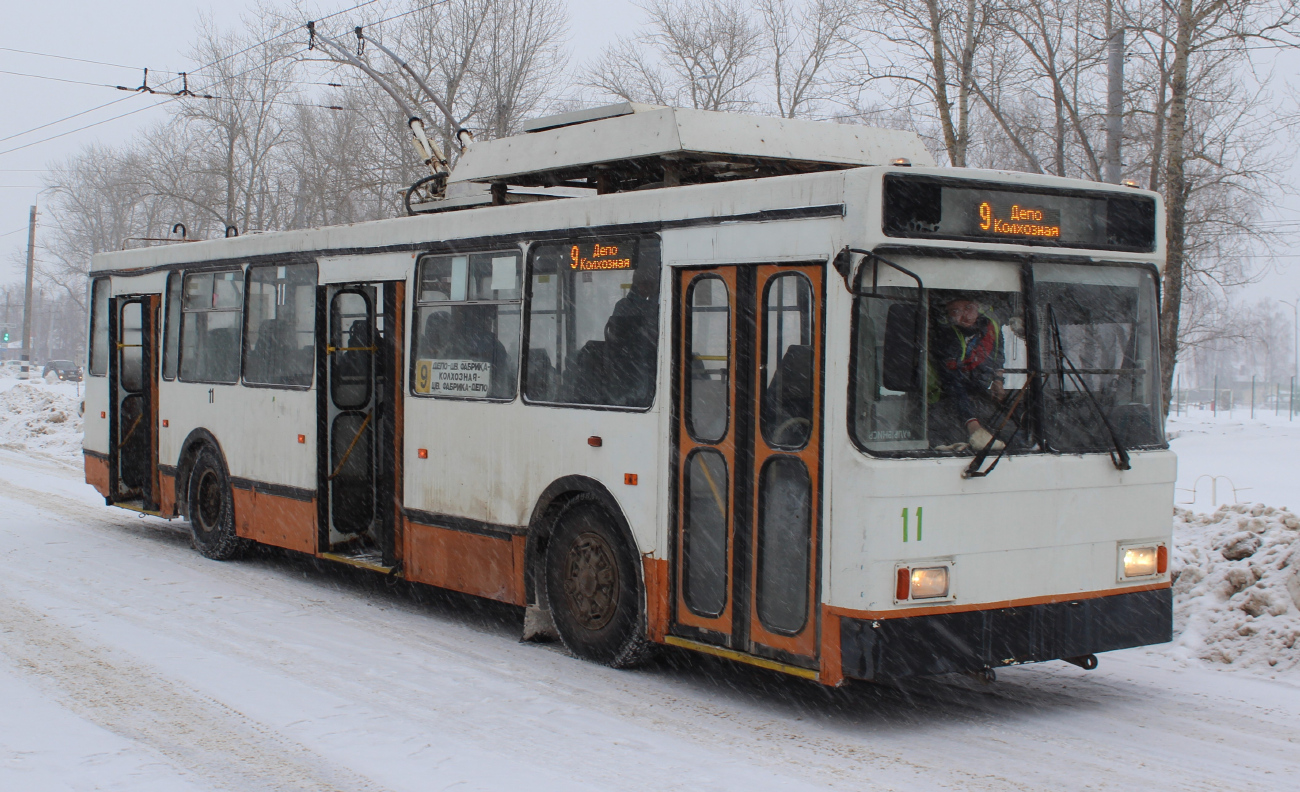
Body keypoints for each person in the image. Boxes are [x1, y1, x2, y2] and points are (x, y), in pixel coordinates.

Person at [931, 297, 1006, 452]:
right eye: (956, 311)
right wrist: (972, 424)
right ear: (948, 315)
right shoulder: (944, 335)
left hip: (980, 393)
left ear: (978, 307)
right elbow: (952, 380)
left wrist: (998, 380)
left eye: (969, 308)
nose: (965, 316)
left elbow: (998, 354)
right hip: (943, 399)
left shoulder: (990, 327)